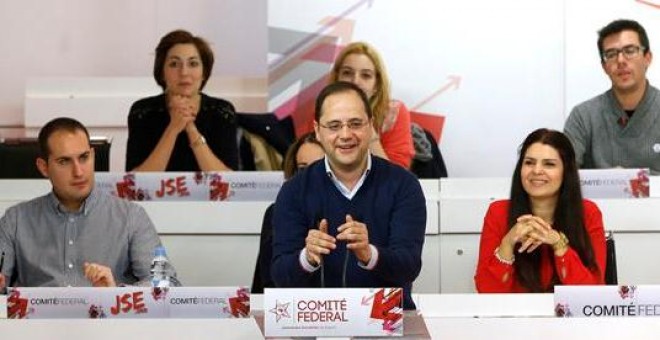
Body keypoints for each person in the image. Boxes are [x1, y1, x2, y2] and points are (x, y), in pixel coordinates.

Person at [271, 82, 426, 309]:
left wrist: (369, 254)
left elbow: (409, 266)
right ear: (317, 130)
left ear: (370, 126)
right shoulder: (294, 190)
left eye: (355, 124)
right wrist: (308, 257)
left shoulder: (403, 184)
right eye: (334, 126)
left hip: (385, 324)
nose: (345, 135)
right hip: (316, 323)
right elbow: (280, 275)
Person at [0, 117, 165, 289]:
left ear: (93, 156)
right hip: (36, 316)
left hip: (107, 315)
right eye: (64, 161)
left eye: (84, 157)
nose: (78, 172)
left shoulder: (131, 216)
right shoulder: (16, 220)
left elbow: (166, 284)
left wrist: (117, 294)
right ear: (43, 167)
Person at [475, 128, 606, 293]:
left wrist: (558, 244)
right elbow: (487, 292)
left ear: (566, 172)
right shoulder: (498, 212)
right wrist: (508, 243)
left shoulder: (588, 213)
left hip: (569, 318)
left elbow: (593, 294)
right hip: (515, 318)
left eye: (549, 164)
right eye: (529, 162)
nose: (536, 171)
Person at [126, 29, 238, 172]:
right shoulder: (142, 111)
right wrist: (173, 128)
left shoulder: (222, 111)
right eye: (174, 64)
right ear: (162, 72)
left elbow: (228, 183)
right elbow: (137, 184)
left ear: (204, 72)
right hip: (159, 195)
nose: (184, 72)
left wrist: (191, 128)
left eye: (193, 64)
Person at [564, 19, 660, 174]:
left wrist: (630, 179)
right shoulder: (583, 116)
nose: (621, 60)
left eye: (629, 50)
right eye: (611, 54)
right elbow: (564, 174)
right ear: (604, 66)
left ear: (647, 57)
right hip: (597, 199)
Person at [251, 132, 325, 293]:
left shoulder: (356, 211)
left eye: (319, 167)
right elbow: (269, 281)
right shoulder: (277, 212)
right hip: (292, 309)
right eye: (303, 168)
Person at [329, 42, 415, 169]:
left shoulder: (394, 113)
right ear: (337, 78)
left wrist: (367, 130)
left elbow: (398, 179)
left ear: (376, 85)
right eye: (347, 73)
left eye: (366, 75)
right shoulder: (323, 111)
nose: (355, 81)